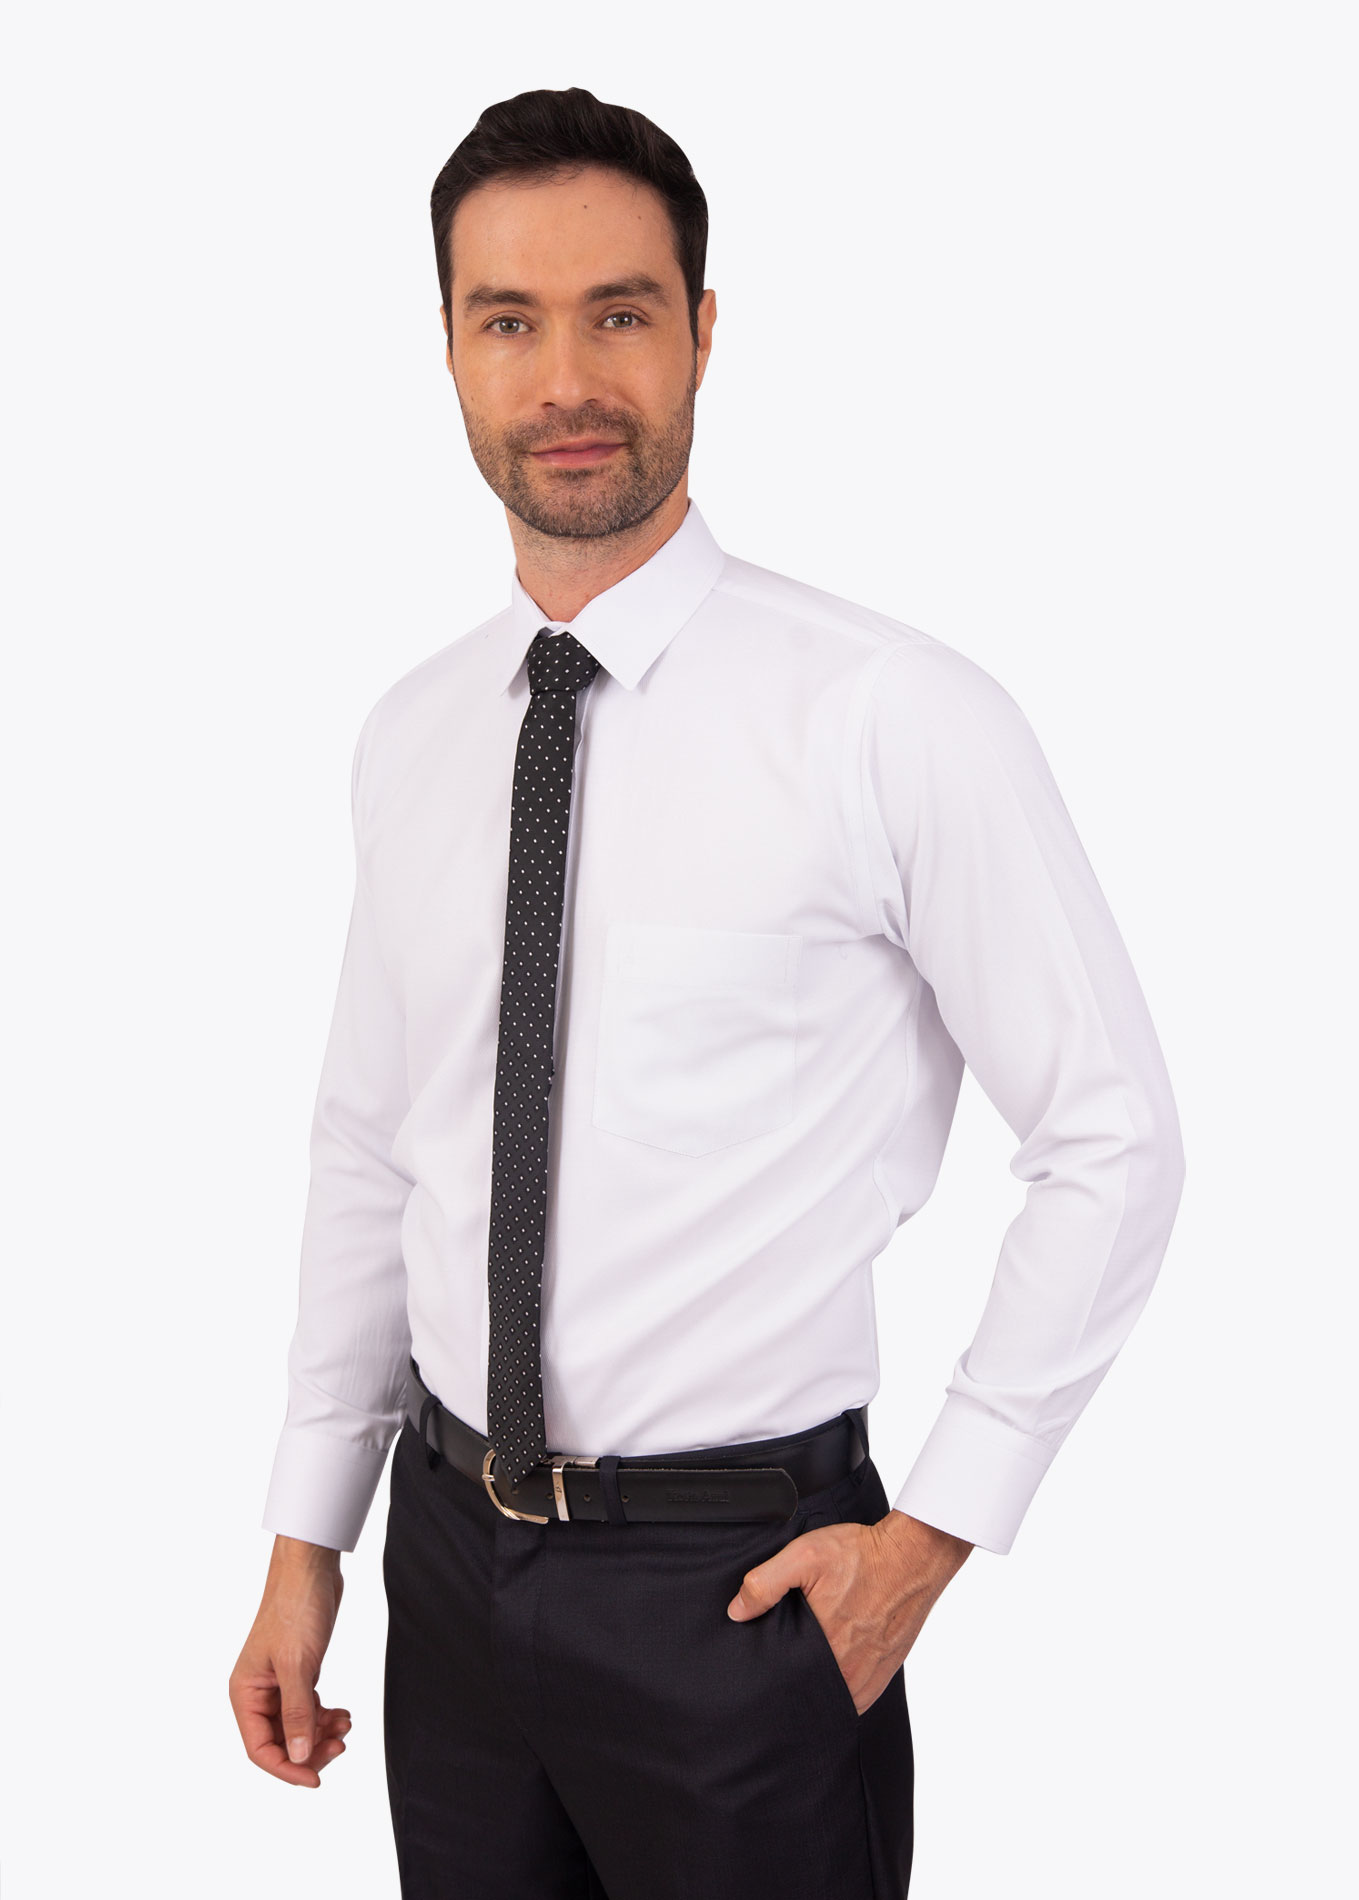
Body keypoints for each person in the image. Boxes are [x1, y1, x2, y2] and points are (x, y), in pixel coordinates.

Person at [229, 85, 1186, 1899]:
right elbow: (373, 1149)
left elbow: (1114, 1137)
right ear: (449, 349)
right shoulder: (414, 737)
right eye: (509, 321)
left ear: (704, 329)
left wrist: (931, 1538)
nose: (567, 379)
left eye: (621, 312)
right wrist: (308, 1536)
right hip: (445, 1562)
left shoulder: (888, 715)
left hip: (740, 1596)